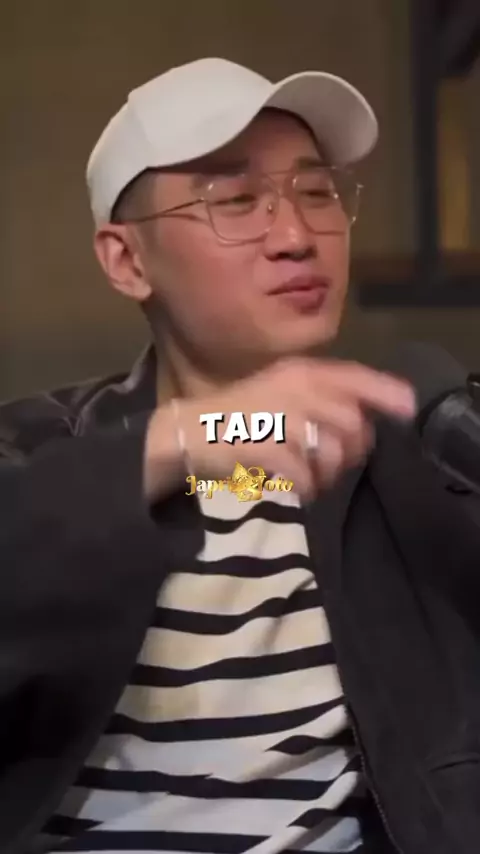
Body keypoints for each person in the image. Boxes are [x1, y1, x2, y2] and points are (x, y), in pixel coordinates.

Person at [2, 57, 480, 854]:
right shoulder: (41, 449)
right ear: (126, 261)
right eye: (233, 202)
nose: (296, 238)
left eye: (317, 193)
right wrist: (196, 436)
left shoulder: (410, 443)